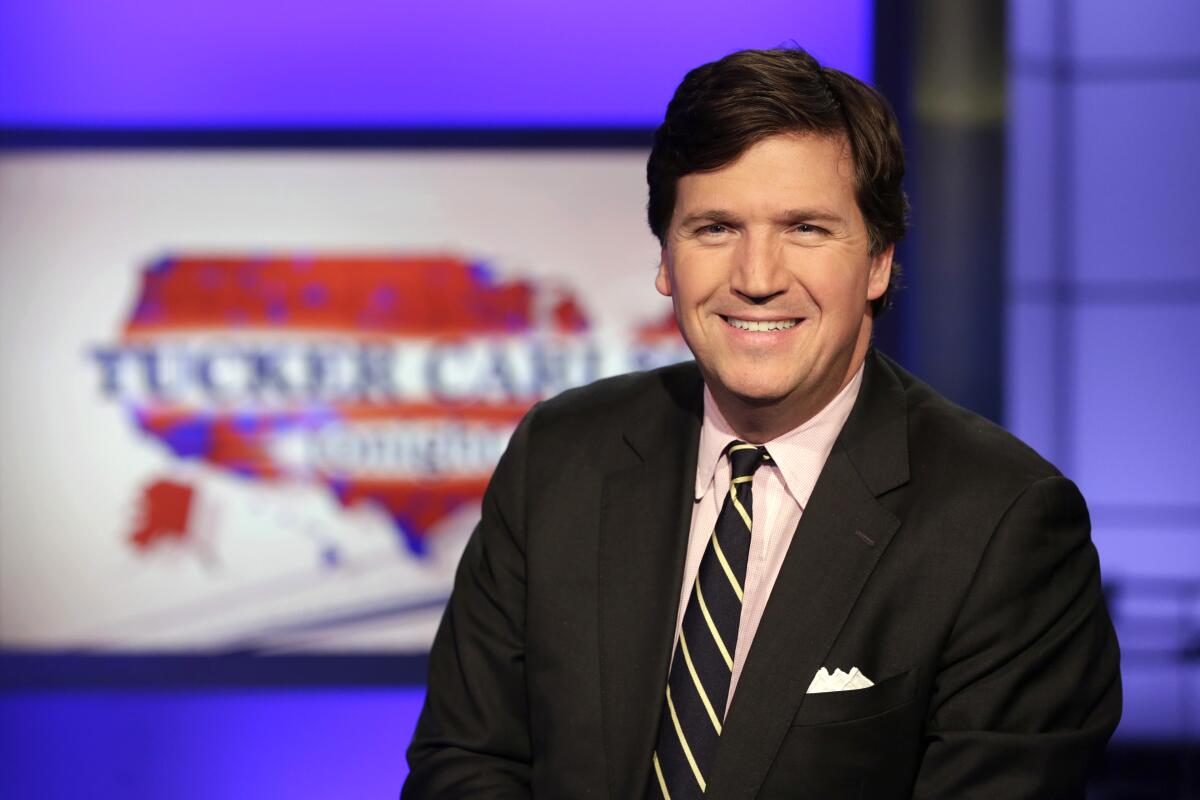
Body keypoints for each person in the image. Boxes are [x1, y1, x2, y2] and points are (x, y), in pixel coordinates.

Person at [402, 47, 1120, 799]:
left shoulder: (1003, 522)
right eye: (715, 228)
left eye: (806, 229)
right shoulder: (559, 456)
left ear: (878, 261)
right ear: (665, 259)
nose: (757, 278)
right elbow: (467, 762)